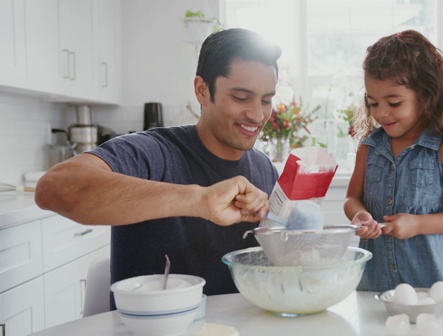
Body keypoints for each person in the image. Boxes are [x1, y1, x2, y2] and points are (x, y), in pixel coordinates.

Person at [35, 28, 282, 309]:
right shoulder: (153, 152)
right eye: (241, 98)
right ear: (202, 90)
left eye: (266, 100)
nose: (257, 115)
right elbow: (54, 188)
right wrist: (199, 200)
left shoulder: (264, 168)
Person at [344, 30, 443, 295]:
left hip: (434, 292)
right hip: (374, 290)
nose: (381, 113)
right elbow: (352, 198)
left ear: (425, 94)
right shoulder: (369, 147)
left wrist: (418, 224)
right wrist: (358, 215)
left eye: (394, 103)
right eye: (373, 103)